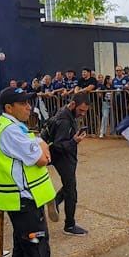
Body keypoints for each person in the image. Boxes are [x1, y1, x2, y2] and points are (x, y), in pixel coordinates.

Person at [0, 87, 68, 257]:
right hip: (25, 200)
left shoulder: (10, 126)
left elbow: (37, 145)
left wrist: (39, 143)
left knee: (23, 251)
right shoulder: (12, 131)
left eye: (28, 102)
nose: (28, 107)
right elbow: (43, 159)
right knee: (37, 255)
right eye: (22, 103)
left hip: (18, 201)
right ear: (8, 108)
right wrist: (42, 148)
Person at [45, 93, 90, 235]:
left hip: (61, 156)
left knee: (69, 186)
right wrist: (74, 141)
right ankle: (69, 226)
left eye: (85, 111)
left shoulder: (64, 112)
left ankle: (55, 200)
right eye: (81, 110)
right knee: (71, 191)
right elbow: (59, 144)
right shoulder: (65, 120)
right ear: (72, 105)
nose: (82, 114)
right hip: (63, 157)